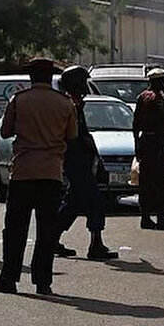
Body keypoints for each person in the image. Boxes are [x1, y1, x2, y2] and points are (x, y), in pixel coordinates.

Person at [0, 59, 77, 296]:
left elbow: (5, 131)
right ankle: (43, 282)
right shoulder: (65, 103)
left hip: (23, 171)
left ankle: (9, 279)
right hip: (51, 172)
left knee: (15, 229)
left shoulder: (19, 100)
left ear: (31, 77)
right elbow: (72, 135)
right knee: (47, 230)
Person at [55, 66, 118, 260]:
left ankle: (52, 238)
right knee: (95, 201)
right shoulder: (70, 104)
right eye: (82, 82)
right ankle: (95, 245)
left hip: (80, 157)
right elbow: (74, 135)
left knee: (74, 202)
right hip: (75, 158)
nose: (85, 86)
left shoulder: (76, 103)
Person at [133, 67, 164, 230]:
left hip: (145, 142)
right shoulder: (159, 99)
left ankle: (145, 217)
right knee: (161, 182)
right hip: (157, 143)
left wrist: (137, 145)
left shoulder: (141, 97)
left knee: (145, 182)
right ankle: (161, 218)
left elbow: (135, 124)